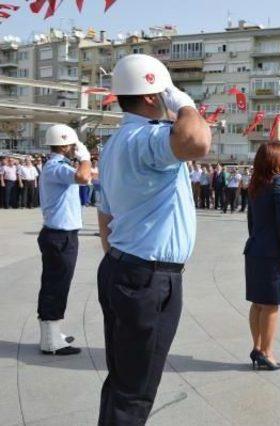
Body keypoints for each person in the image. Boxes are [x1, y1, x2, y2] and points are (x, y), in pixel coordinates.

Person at [96, 53, 211, 424]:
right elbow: (196, 141)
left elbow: (105, 215)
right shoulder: (146, 138)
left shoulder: (116, 143)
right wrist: (185, 104)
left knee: (123, 382)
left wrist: (124, 264)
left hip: (125, 267)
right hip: (147, 277)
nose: (168, 96)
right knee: (135, 392)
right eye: (163, 90)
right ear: (150, 96)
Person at [37, 124, 92, 356]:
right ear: (66, 145)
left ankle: (53, 333)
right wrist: (86, 158)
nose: (75, 150)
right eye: (73, 145)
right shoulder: (55, 167)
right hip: (59, 236)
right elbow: (83, 176)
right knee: (55, 285)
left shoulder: (58, 166)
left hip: (61, 235)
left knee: (58, 283)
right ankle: (50, 342)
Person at [244, 142, 280, 371]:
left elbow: (251, 221)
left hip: (255, 249)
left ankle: (257, 348)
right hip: (273, 253)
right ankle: (267, 352)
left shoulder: (257, 184)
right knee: (271, 305)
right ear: (276, 161)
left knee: (257, 304)